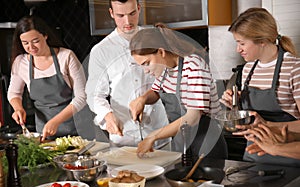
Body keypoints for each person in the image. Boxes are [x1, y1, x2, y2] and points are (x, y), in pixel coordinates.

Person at [129, 27, 228, 160]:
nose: (145, 71)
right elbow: (156, 92)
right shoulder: (165, 70)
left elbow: (193, 117)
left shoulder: (193, 66)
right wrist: (143, 99)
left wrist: (153, 136)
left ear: (161, 52)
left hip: (205, 143)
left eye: (147, 63)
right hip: (181, 143)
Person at [220, 7, 300, 166]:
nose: (238, 49)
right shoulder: (248, 69)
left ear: (262, 41)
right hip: (252, 158)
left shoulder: (294, 68)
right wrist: (234, 104)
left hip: (288, 159)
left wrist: (268, 126)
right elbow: (250, 117)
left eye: (242, 43)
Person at [85, 0, 169, 147]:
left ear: (139, 8)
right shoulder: (101, 51)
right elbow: (94, 95)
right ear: (111, 13)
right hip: (124, 138)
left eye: (132, 14)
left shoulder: (154, 38)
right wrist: (107, 115)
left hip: (158, 133)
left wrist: (144, 98)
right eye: (120, 15)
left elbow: (167, 77)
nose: (128, 21)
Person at [8, 15, 87, 141]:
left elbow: (82, 97)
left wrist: (55, 121)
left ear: (45, 35)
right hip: (44, 133)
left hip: (76, 131)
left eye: (35, 41)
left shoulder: (66, 57)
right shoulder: (20, 62)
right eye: (25, 43)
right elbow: (14, 93)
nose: (31, 47)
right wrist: (18, 108)